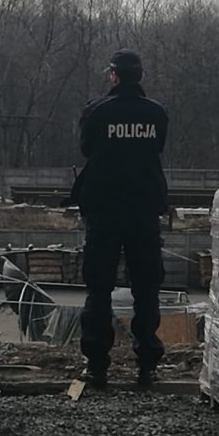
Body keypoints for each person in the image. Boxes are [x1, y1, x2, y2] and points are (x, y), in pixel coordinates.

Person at [66, 49, 169, 388]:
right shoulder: (156, 114)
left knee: (99, 289)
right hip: (143, 210)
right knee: (146, 289)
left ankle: (97, 366)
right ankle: (147, 366)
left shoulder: (97, 111)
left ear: (113, 76)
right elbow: (157, 149)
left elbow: (86, 149)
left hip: (104, 211)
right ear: (140, 76)